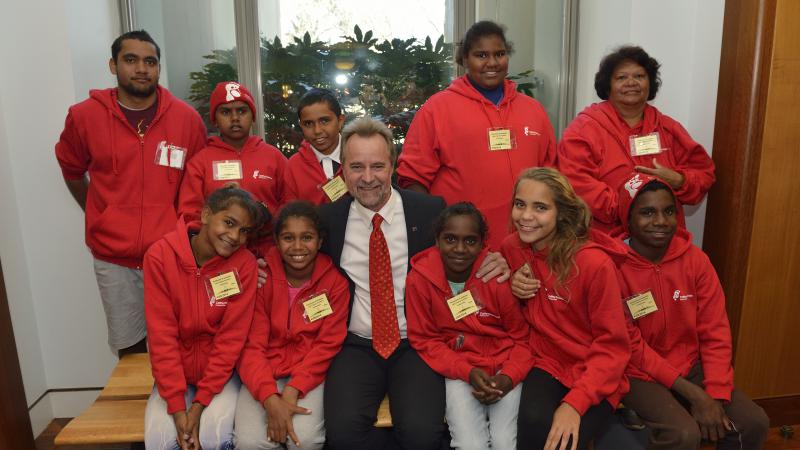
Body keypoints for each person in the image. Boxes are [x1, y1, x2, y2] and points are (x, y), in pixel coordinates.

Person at [319, 117, 510, 450]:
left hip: (417, 343)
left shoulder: (428, 210)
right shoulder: (328, 220)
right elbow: (296, 256)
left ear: (392, 165)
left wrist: (498, 260)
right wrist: (263, 266)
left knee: (423, 435)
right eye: (356, 167)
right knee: (343, 436)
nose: (367, 178)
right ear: (343, 170)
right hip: (355, 344)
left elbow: (466, 245)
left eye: (377, 166)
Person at [54, 30, 207, 357]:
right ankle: (139, 408)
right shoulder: (84, 117)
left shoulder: (187, 120)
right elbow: (71, 169)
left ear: (158, 68)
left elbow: (196, 186)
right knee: (131, 349)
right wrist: (100, 213)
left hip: (171, 256)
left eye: (150, 61)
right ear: (113, 65)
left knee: (182, 344)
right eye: (131, 60)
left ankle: (178, 409)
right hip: (114, 259)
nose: (141, 68)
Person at [602, 173, 769, 450]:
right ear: (627, 219)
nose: (661, 221)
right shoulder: (609, 266)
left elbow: (715, 331)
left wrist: (714, 392)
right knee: (683, 434)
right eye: (647, 212)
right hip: (635, 371)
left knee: (752, 422)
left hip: (690, 364)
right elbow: (631, 346)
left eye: (669, 211)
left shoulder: (696, 261)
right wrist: (694, 395)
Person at [500, 168, 630, 450]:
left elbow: (613, 347)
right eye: (520, 204)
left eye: (541, 207)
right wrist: (513, 285)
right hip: (545, 360)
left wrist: (575, 403)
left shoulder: (594, 265)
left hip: (594, 369)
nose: (526, 216)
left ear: (561, 212)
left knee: (561, 442)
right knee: (533, 426)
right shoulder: (512, 247)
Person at [397, 20, 556, 249]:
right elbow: (412, 180)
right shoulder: (437, 109)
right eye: (481, 55)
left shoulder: (533, 109)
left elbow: (552, 175)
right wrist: (442, 231)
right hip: (464, 248)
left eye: (499, 54)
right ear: (464, 60)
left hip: (528, 242)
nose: (492, 63)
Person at [143, 187, 262, 450]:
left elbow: (231, 340)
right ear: (207, 214)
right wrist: (177, 408)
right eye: (229, 223)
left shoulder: (244, 265)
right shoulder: (160, 257)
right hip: (176, 376)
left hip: (222, 374)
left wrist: (198, 406)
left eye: (244, 231)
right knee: (161, 442)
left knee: (213, 439)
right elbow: (162, 337)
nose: (234, 236)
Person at [405, 202, 531, 450]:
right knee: (469, 443)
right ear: (437, 240)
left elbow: (523, 340)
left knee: (506, 442)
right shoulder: (419, 280)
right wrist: (465, 371)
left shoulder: (496, 277)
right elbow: (425, 340)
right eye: (450, 239)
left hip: (506, 368)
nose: (460, 249)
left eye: (470, 241)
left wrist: (509, 377)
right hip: (460, 369)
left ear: (483, 244)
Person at [557, 45, 715, 233]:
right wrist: (633, 210)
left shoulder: (668, 128)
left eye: (639, 76)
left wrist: (680, 180)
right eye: (621, 77)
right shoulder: (583, 130)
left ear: (650, 84)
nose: (631, 82)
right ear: (608, 85)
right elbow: (576, 183)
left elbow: (704, 173)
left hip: (663, 240)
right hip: (606, 241)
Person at [236, 201, 349, 450]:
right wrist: (269, 398)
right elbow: (250, 346)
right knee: (250, 442)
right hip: (262, 372)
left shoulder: (335, 284)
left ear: (320, 242)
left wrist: (292, 390)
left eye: (307, 237)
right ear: (276, 240)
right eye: (288, 238)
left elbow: (327, 345)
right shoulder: (261, 279)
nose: (298, 247)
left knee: (305, 441)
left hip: (308, 374)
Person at [178, 81, 287, 256]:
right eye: (226, 112)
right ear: (215, 120)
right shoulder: (200, 162)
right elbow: (189, 215)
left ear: (253, 116)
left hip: (270, 255)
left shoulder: (274, 157)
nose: (235, 118)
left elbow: (289, 206)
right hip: (220, 256)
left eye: (242, 111)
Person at [283, 88, 348, 205]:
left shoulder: (358, 156)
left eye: (324, 121)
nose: (317, 130)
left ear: (340, 121)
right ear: (301, 126)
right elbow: (291, 214)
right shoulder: (294, 165)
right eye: (308, 124)